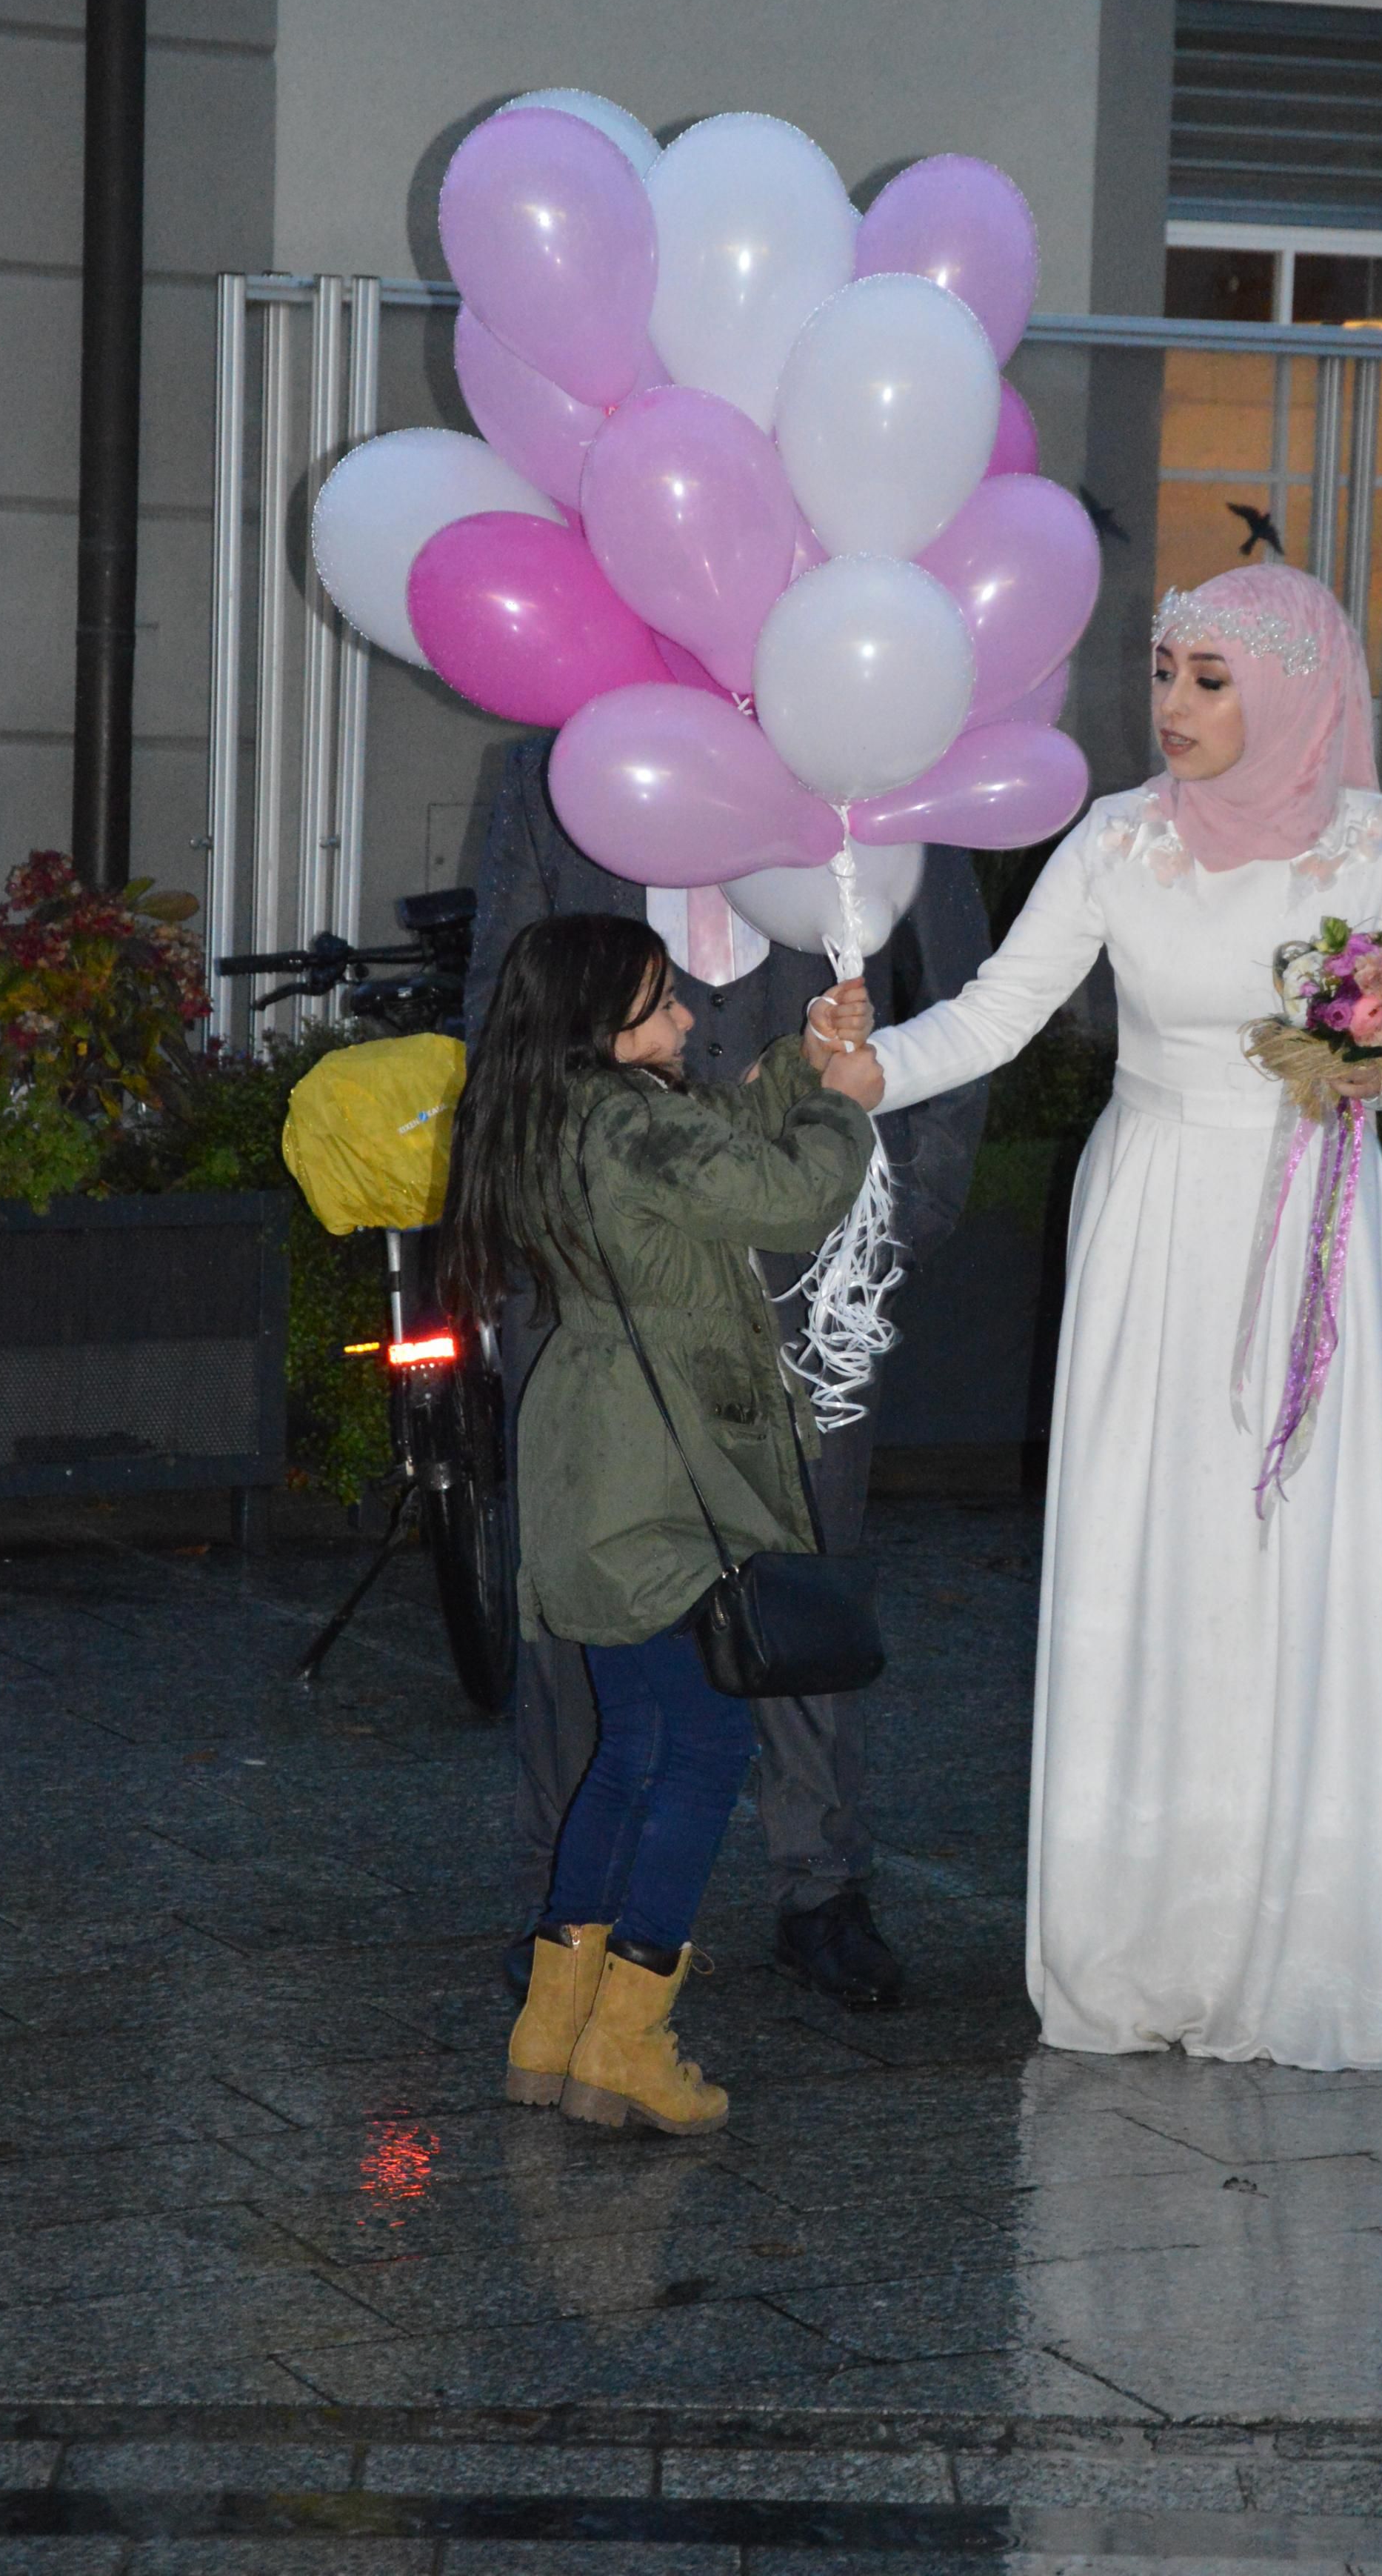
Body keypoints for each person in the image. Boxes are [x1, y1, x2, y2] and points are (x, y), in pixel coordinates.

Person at [838, 561, 1382, 2072]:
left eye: (1211, 679)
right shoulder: (1115, 839)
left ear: (1289, 688)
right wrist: (871, 1069)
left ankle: (1310, 1915)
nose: (1177, 707)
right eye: (1164, 674)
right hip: (1153, 1216)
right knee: (1157, 1541)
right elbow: (997, 1012)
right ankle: (1151, 1926)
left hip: (1313, 1212)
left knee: (1294, 1550)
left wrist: (1372, 1058)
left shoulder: (1370, 838)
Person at [465, 731, 989, 2011]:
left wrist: (909, 1211)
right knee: (592, 1599)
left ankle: (821, 1885)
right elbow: (501, 1008)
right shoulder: (552, 765)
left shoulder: (871, 731)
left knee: (801, 1570)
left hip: (815, 1269)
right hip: (600, 1289)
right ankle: (567, 1906)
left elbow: (959, 990)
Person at [441, 912, 875, 2134]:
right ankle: (629, 2043)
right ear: (602, 1024)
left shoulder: (557, 1113)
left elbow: (714, 1136)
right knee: (703, 1750)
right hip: (663, 1476)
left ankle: (553, 2029)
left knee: (630, 1744)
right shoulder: (631, 1126)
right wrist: (845, 1108)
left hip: (594, 1462)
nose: (686, 1015)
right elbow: (790, 1199)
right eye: (662, 1002)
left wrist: (798, 1062)